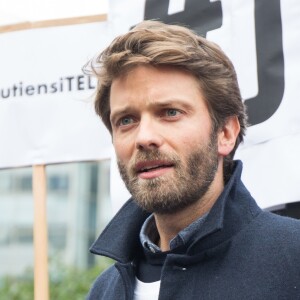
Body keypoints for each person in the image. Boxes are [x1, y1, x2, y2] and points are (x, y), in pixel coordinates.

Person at [85, 20, 300, 299]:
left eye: (170, 112)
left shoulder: (292, 259)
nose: (144, 137)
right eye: (126, 120)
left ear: (225, 133)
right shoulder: (104, 291)